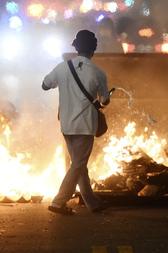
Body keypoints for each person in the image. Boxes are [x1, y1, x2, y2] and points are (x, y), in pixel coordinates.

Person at [42, 30, 111, 215]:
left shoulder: (62, 67)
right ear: (93, 50)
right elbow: (104, 100)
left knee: (78, 164)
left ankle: (92, 203)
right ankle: (58, 202)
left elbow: (45, 85)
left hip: (66, 125)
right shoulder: (98, 72)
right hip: (85, 126)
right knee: (78, 165)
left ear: (75, 47)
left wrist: (60, 83)